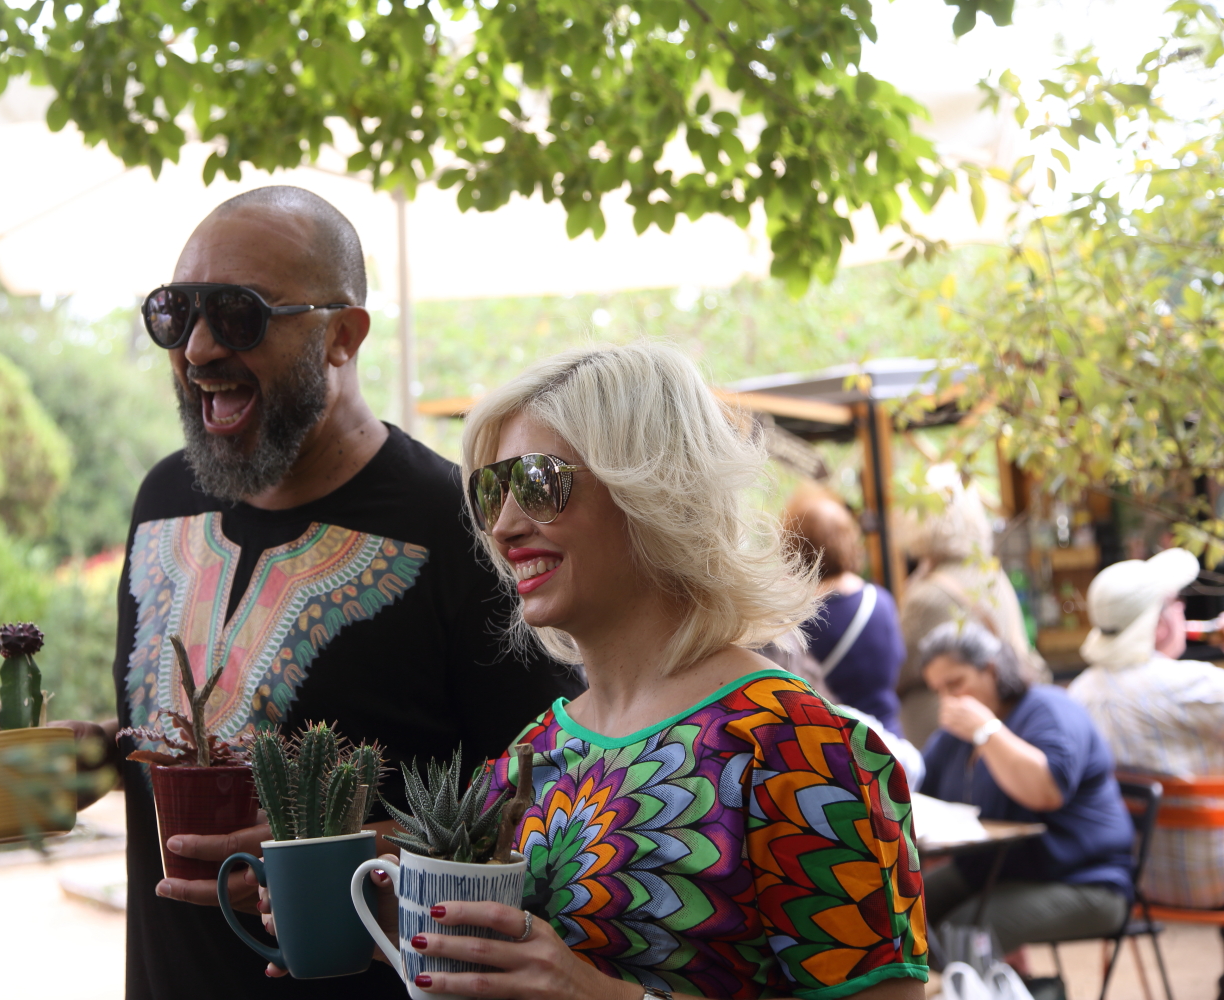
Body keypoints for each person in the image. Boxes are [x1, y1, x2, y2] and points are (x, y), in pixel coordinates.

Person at [56, 185, 579, 1000]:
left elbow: (554, 797)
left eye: (239, 314)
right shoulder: (162, 499)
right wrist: (94, 753)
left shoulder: (463, 525)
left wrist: (356, 852)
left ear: (343, 335)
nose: (197, 348)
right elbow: (183, 731)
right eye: (174, 313)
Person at [376, 344, 929, 999]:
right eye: (490, 492)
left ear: (654, 488)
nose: (504, 526)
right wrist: (383, 919)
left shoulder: (794, 747)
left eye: (538, 483)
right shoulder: (530, 756)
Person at [918, 621, 1134, 954]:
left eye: (956, 684)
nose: (948, 700)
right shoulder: (953, 738)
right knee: (893, 911)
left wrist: (986, 731)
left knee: (958, 937)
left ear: (991, 670)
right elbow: (918, 798)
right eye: (938, 691)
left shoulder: (1049, 710)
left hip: (1084, 880)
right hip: (991, 870)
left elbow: (1046, 792)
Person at [1068, 548, 1224, 912]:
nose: (1183, 609)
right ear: (1160, 624)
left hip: (1132, 878)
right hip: (1211, 876)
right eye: (1178, 602)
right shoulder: (1194, 687)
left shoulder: (1079, 693)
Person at [898, 472, 1041, 747]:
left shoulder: (926, 597)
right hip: (1003, 723)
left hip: (947, 736)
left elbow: (897, 672)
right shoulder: (993, 574)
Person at [784, 485, 907, 734]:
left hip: (837, 742)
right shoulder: (880, 601)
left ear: (793, 545)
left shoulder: (795, 620)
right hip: (888, 738)